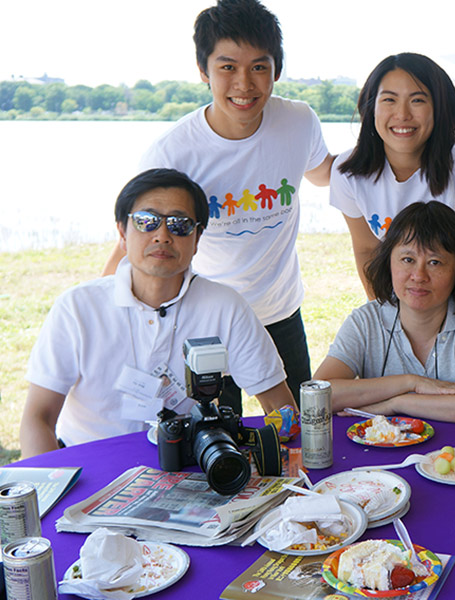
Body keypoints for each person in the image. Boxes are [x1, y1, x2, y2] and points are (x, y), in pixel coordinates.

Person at [100, 0, 334, 410]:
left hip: (279, 312)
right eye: (227, 67)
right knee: (212, 442)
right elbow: (134, 242)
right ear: (203, 70)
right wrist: (105, 321)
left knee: (297, 431)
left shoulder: (299, 122)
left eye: (259, 67)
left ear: (276, 70)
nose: (244, 84)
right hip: (202, 320)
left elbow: (328, 173)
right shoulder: (173, 152)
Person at [21, 169, 294, 458]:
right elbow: (38, 418)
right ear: (123, 232)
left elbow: (282, 409)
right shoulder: (77, 308)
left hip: (188, 466)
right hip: (89, 465)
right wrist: (53, 490)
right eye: (146, 222)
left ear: (198, 239)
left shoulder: (226, 307)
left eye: (180, 225)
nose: (162, 236)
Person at [314, 202, 455, 426]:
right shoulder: (366, 321)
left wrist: (397, 404)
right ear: (389, 263)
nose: (419, 275)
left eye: (435, 262)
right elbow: (317, 396)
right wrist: (411, 382)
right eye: (408, 260)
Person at [330, 53, 455, 300]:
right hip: (400, 292)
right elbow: (366, 250)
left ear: (439, 107)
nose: (402, 114)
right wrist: (384, 314)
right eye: (389, 100)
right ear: (371, 107)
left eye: (417, 100)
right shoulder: (348, 171)